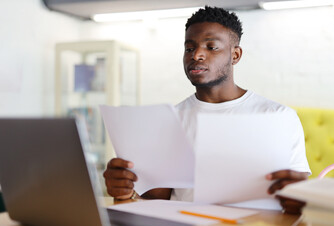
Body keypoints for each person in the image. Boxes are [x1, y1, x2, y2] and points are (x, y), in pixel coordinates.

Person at [103, 6, 311, 214]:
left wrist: (300, 197)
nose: (197, 55)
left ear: (235, 55)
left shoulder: (279, 117)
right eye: (189, 48)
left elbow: (296, 198)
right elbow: (158, 199)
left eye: (211, 47)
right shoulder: (171, 120)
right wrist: (125, 191)